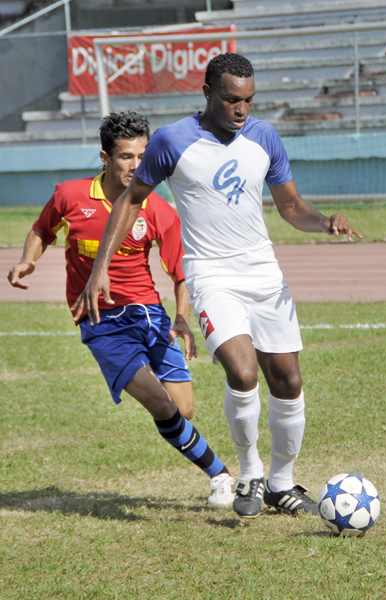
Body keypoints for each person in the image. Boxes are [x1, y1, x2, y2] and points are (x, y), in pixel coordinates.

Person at [73, 55, 362, 520]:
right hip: (211, 273)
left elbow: (290, 206)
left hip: (262, 272)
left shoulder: (264, 137)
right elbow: (131, 200)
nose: (241, 109)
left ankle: (282, 484)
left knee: (288, 380)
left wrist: (325, 221)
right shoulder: (172, 140)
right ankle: (250, 473)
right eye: (231, 99)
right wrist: (100, 265)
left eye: (248, 100)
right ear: (207, 91)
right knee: (242, 372)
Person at [8, 111, 235, 508]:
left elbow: (181, 273)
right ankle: (221, 475)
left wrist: (181, 318)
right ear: (105, 157)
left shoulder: (157, 208)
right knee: (162, 405)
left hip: (149, 314)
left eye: (143, 156)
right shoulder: (70, 195)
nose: (136, 165)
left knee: (183, 409)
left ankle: (195, 447)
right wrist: (29, 258)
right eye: (126, 157)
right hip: (101, 322)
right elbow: (42, 229)